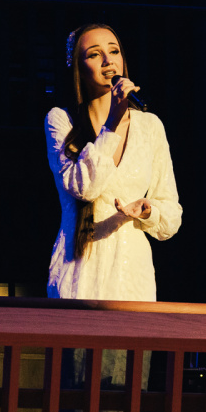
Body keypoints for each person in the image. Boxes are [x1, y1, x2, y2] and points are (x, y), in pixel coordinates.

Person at [44, 23, 182, 300]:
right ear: (78, 67)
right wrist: (112, 123)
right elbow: (84, 188)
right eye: (95, 54)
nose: (108, 60)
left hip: (132, 277)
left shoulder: (149, 126)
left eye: (114, 51)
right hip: (78, 271)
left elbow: (171, 216)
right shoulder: (61, 120)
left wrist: (147, 210)